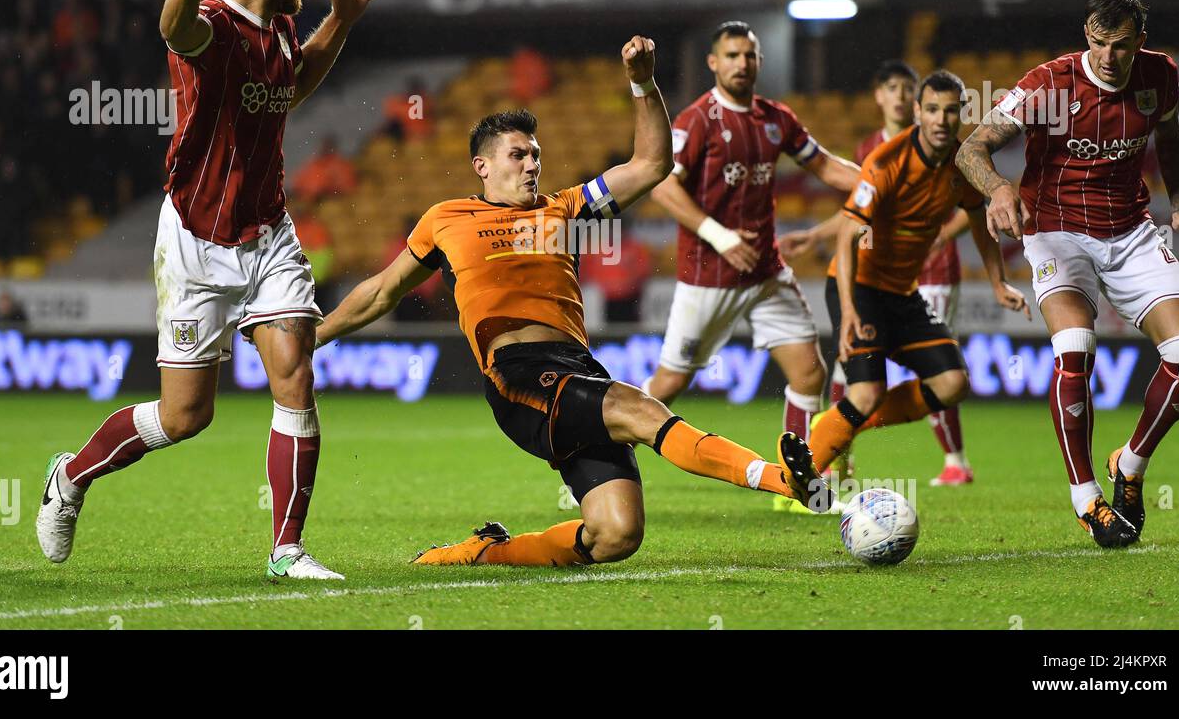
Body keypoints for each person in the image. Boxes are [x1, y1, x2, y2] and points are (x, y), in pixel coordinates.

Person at [316, 37, 832, 567]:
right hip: (517, 375)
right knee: (641, 409)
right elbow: (382, 290)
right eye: (518, 155)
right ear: (483, 166)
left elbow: (653, 164)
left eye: (536, 155)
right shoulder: (445, 219)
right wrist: (315, 335)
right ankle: (783, 481)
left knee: (616, 535)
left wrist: (643, 82)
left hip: (576, 367)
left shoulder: (564, 211)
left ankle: (486, 553)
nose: (532, 164)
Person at [35, 0, 378, 580]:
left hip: (268, 232)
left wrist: (340, 19)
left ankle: (287, 550)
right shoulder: (215, 28)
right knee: (185, 415)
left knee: (295, 371)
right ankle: (70, 476)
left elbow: (296, 83)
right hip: (195, 238)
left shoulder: (281, 28)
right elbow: (173, 27)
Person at [956, 0, 1179, 547]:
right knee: (1076, 345)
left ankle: (1132, 464)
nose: (1107, 57)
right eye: (1097, 42)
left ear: (1138, 43)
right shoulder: (1049, 84)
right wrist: (999, 187)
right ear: (1086, 36)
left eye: (1120, 46)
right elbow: (971, 148)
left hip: (1129, 229)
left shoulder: (1158, 76)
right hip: (1056, 231)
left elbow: (1169, 135)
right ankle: (1087, 498)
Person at [803, 71, 1029, 496]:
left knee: (952, 384)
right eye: (931, 110)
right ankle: (799, 476)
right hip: (861, 289)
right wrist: (849, 310)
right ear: (917, 113)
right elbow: (847, 235)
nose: (941, 120)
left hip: (902, 294)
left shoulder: (965, 166)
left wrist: (998, 283)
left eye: (950, 111)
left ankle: (841, 421)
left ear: (962, 113)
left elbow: (979, 220)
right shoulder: (887, 162)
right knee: (867, 391)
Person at [644, 21, 859, 466]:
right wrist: (720, 236)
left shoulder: (776, 119)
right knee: (667, 386)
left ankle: (797, 479)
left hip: (765, 273)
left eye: (749, 55)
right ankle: (594, 456)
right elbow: (662, 188)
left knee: (808, 373)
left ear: (759, 61)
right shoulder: (697, 120)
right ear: (713, 63)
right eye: (732, 56)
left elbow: (827, 168)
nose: (742, 64)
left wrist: (882, 182)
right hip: (708, 277)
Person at [782, 60, 977, 487]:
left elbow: (976, 206)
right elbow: (854, 223)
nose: (903, 97)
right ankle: (819, 458)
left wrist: (970, 256)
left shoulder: (955, 159)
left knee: (947, 380)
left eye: (909, 90)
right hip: (864, 282)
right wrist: (816, 235)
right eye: (895, 89)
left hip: (917, 279)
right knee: (857, 383)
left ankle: (853, 432)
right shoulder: (875, 153)